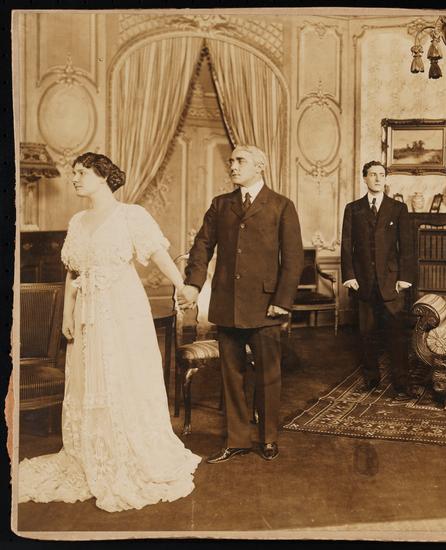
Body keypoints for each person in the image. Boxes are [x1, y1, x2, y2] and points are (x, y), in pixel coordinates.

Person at [19, 153, 201, 512]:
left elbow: (159, 254)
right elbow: (72, 272)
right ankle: (93, 451)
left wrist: (182, 285)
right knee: (90, 377)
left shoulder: (131, 215)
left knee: (123, 375)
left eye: (81, 173)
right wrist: (67, 313)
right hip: (87, 312)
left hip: (123, 309)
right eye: (74, 173)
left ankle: (127, 448)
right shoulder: (77, 221)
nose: (75, 178)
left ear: (103, 176)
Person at [180, 145, 303, 463]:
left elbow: (293, 259)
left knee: (268, 376)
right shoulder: (221, 205)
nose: (232, 166)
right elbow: (202, 246)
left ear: (260, 166)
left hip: (266, 307)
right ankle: (236, 440)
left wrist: (282, 301)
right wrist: (193, 284)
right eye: (231, 161)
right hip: (227, 303)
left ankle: (268, 438)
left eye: (240, 161)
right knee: (231, 376)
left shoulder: (281, 205)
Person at [341, 160, 414, 394]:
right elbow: (346, 245)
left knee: (397, 335)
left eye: (381, 174)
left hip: (391, 283)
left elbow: (407, 246)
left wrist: (404, 278)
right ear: (365, 178)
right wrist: (349, 275)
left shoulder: (398, 208)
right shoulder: (353, 209)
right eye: (372, 174)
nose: (377, 178)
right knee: (366, 334)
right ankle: (371, 379)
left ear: (385, 178)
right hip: (363, 282)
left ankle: (401, 381)